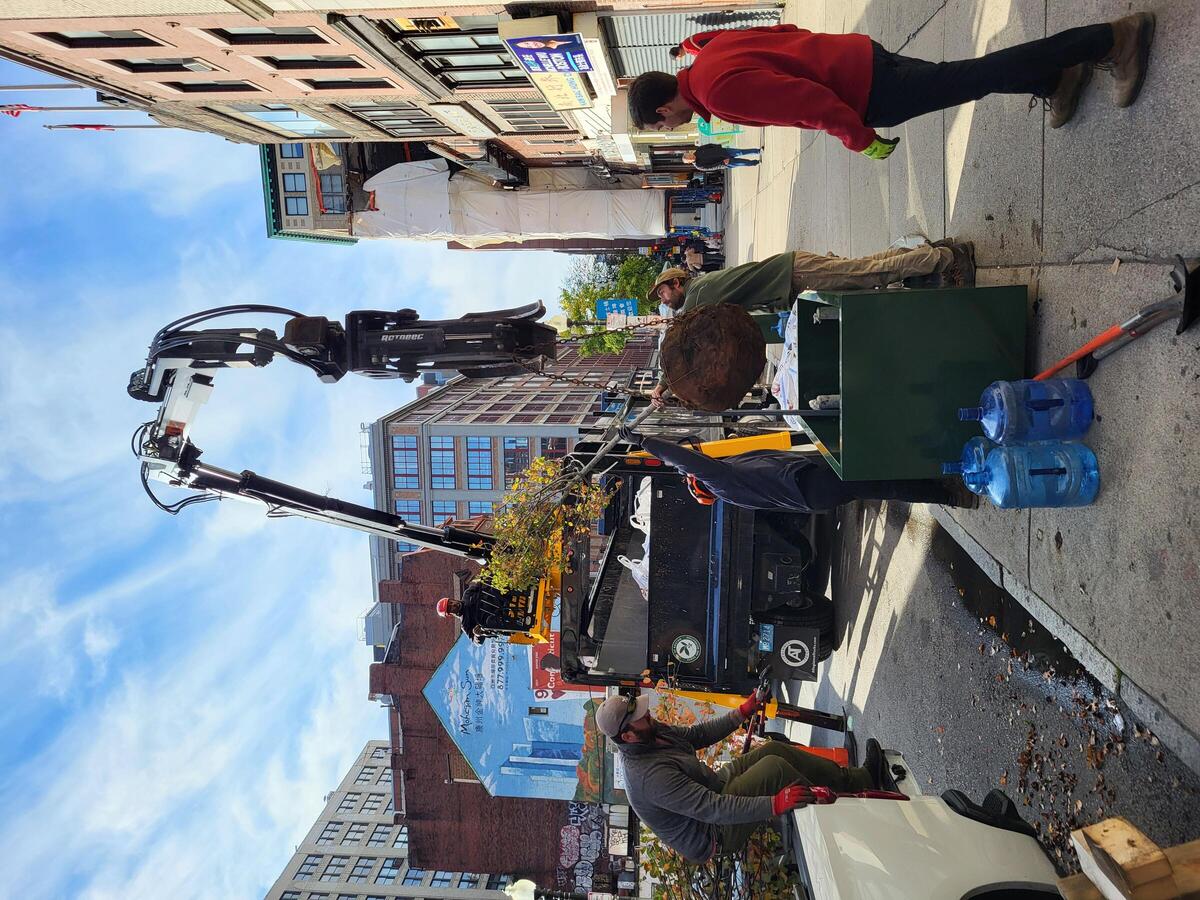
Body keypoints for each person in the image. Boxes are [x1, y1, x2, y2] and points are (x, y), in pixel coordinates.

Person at [629, 15, 1154, 158]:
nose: (671, 128)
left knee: (976, 75)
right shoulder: (708, 52)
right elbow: (788, 34)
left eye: (661, 123)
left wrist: (859, 138)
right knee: (966, 77)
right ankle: (1053, 77)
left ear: (663, 105)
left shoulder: (718, 93)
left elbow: (807, 104)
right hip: (858, 56)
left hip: (865, 90)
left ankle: (1109, 40)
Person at [596, 691, 895, 862]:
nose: (649, 717)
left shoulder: (651, 733)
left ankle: (861, 781)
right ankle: (858, 817)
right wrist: (774, 804)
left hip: (714, 788)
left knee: (776, 749)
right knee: (775, 770)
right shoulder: (648, 778)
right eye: (640, 720)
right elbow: (713, 809)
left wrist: (742, 712)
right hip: (713, 833)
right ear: (627, 735)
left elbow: (697, 735)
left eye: (644, 713)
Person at [622, 430, 979, 510]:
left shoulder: (730, 485)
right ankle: (949, 494)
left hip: (808, 483)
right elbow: (688, 460)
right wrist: (645, 443)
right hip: (810, 484)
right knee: (881, 482)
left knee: (876, 476)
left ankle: (940, 482)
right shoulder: (722, 483)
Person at [436, 583, 510, 644]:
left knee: (495, 587)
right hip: (504, 619)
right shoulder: (465, 624)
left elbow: (480, 582)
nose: (453, 605)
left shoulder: (467, 594)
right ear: (450, 614)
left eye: (451, 602)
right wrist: (477, 635)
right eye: (450, 608)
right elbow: (476, 642)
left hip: (504, 598)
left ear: (452, 599)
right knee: (489, 622)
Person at [682, 144, 763, 171]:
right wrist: (723, 163)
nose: (691, 158)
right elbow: (712, 167)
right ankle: (756, 162)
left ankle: (758, 151)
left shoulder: (699, 150)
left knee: (741, 151)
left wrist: (718, 147)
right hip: (726, 162)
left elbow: (709, 145)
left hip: (724, 151)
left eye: (689, 156)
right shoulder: (699, 165)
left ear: (690, 153)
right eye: (689, 160)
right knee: (743, 162)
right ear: (689, 162)